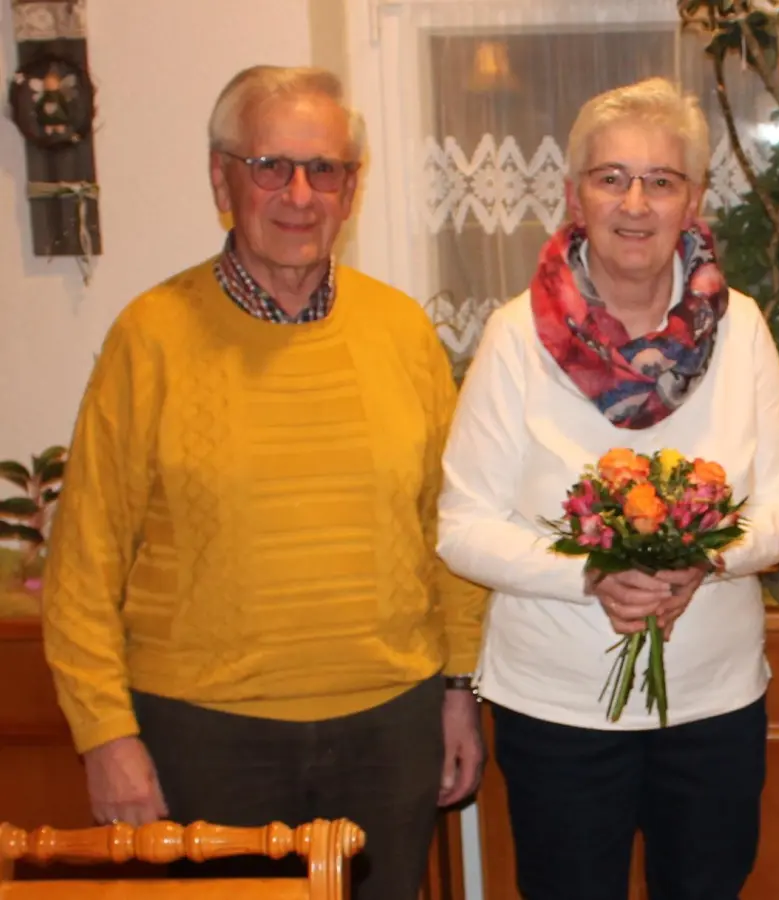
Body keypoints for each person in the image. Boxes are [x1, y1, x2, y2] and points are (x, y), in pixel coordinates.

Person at [40, 65, 487, 899]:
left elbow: (448, 531)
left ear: (351, 190)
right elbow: (84, 563)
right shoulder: (151, 339)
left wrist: (460, 691)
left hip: (388, 730)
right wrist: (106, 736)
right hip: (206, 739)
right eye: (270, 166)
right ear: (222, 177)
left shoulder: (401, 331)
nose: (299, 193)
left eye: (325, 170)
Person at [435, 76, 779, 900]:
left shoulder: (740, 329)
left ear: (695, 200)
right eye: (611, 178)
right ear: (575, 196)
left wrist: (704, 560)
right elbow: (463, 525)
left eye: (661, 181)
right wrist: (587, 572)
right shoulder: (511, 337)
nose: (635, 203)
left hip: (713, 708)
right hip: (557, 715)